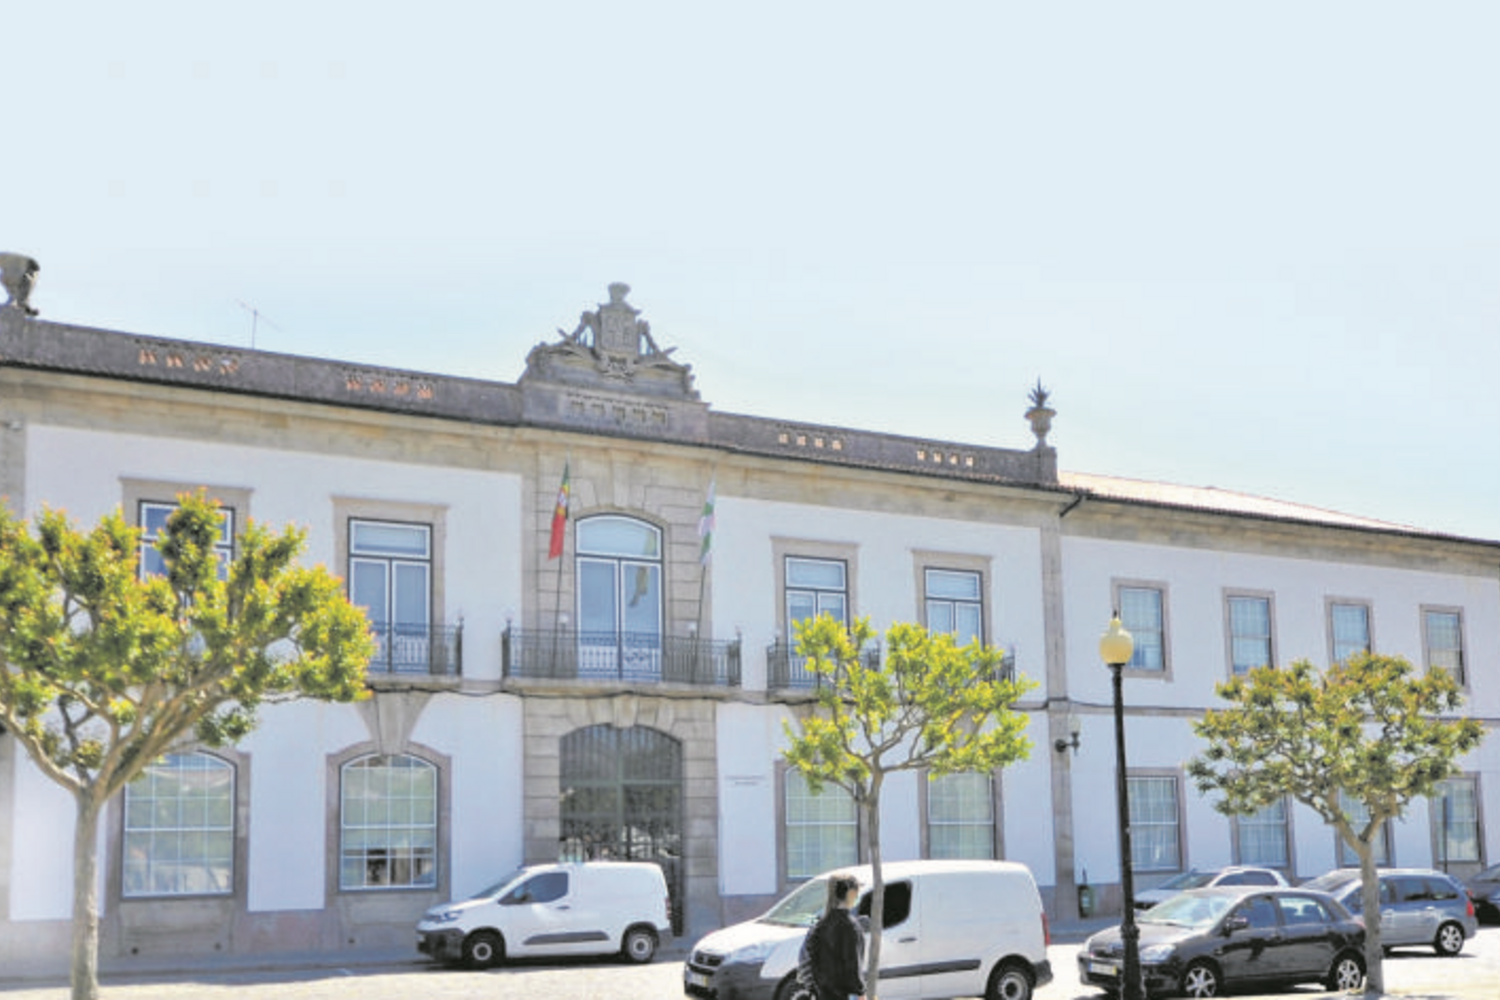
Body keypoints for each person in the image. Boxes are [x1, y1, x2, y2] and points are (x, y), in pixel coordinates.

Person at [810, 873, 866, 1000]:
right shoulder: (850, 926)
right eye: (857, 893)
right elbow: (852, 965)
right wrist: (861, 993)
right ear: (851, 894)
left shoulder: (821, 924)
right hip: (845, 995)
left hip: (824, 994)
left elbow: (814, 963)